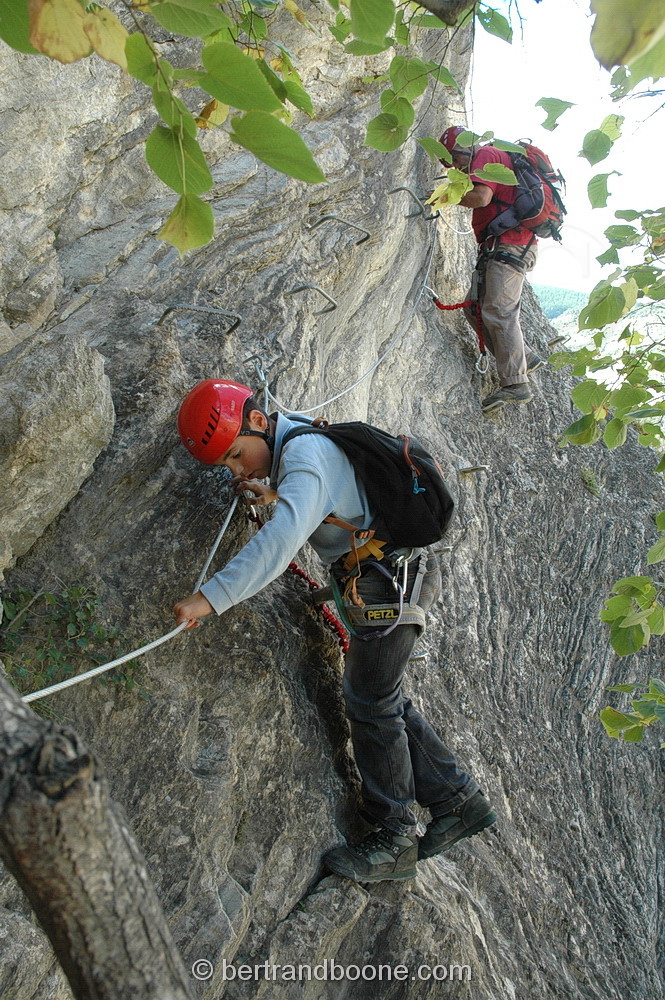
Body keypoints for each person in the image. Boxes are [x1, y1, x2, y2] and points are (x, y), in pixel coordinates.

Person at [173, 379, 496, 883]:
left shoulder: (303, 457)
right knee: (380, 695)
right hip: (390, 574)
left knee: (371, 701)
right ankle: (457, 801)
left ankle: (394, 837)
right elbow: (329, 493)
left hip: (387, 582)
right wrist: (278, 492)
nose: (238, 470)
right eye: (229, 466)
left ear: (258, 421)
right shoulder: (296, 435)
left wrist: (210, 597)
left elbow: (281, 542)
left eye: (237, 455)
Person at [439, 125, 543, 414]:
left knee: (498, 310)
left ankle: (515, 384)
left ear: (462, 148)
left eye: (454, 161)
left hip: (509, 246)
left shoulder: (485, 154)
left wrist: (444, 197)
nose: (456, 169)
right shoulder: (489, 156)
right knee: (474, 309)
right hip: (500, 247)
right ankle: (525, 357)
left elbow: (482, 197)